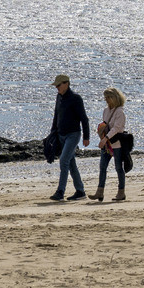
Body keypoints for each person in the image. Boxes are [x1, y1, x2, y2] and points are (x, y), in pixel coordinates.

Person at [48, 73, 90, 201]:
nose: (57, 88)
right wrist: (53, 133)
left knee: (63, 160)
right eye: (56, 86)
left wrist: (86, 137)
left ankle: (60, 191)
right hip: (61, 135)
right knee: (71, 164)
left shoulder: (76, 98)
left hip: (73, 135)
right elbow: (56, 115)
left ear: (66, 84)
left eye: (59, 85)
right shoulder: (59, 97)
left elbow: (84, 119)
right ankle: (80, 191)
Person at [91, 87, 132, 203]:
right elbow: (106, 125)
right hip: (106, 143)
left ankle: (121, 192)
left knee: (119, 168)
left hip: (116, 143)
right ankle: (100, 192)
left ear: (115, 98)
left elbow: (117, 128)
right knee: (102, 167)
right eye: (105, 97)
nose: (107, 100)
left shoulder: (120, 112)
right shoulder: (106, 110)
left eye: (109, 97)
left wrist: (105, 138)